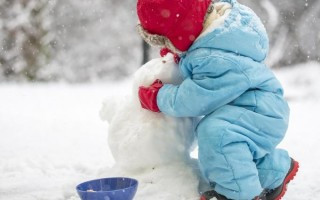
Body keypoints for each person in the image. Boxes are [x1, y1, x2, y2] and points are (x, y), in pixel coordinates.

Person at [136, 0, 299, 199]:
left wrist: (159, 97)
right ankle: (274, 170)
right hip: (256, 106)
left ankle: (238, 195)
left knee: (217, 137)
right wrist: (182, 54)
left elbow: (194, 98)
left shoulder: (214, 58)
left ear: (182, 29)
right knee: (223, 159)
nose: (166, 47)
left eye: (166, 40)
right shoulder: (221, 31)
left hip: (258, 110)